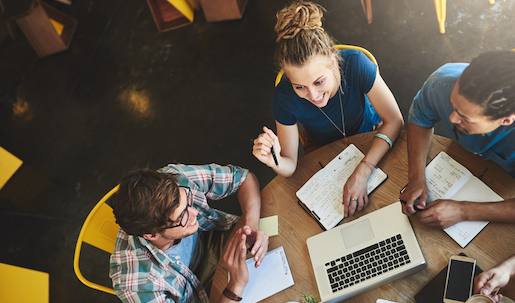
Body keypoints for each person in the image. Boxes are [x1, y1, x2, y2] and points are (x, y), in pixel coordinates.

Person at [252, 1, 403, 217]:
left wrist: (362, 170)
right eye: (299, 87)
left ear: (333, 61)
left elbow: (395, 121)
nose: (313, 96)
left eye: (319, 82)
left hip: (370, 131)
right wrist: (273, 159)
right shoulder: (283, 97)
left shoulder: (356, 65)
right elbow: (290, 165)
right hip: (322, 147)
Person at [400, 50, 515, 229]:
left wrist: (463, 211)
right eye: (453, 104)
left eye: (464, 117)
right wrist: (416, 177)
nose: (451, 118)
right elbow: (421, 117)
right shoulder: (442, 81)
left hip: (514, 192)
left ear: (505, 120)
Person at [109, 163, 269, 303]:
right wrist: (236, 285)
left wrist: (251, 225)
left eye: (187, 201)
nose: (194, 213)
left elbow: (243, 178)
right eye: (182, 217)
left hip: (212, 240)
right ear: (152, 235)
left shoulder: (174, 179)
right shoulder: (137, 285)